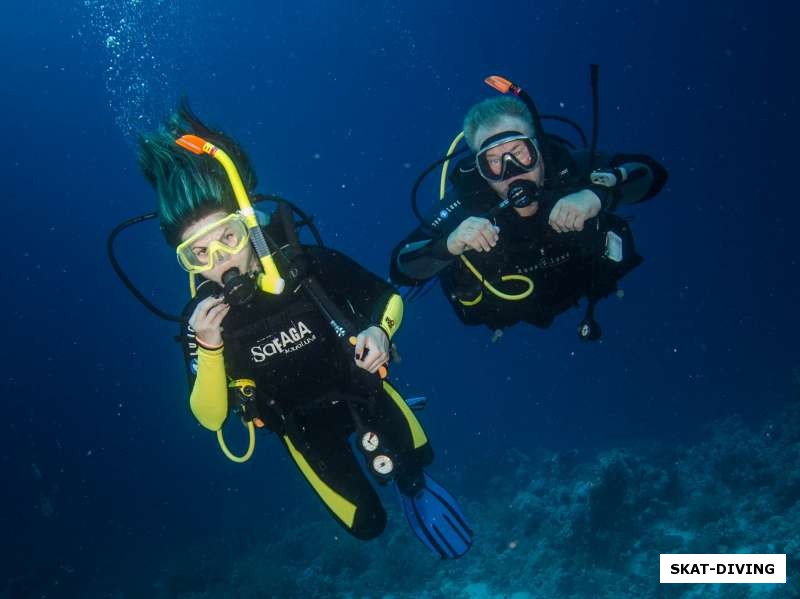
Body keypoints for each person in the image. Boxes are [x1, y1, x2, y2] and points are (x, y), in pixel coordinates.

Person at [135, 102, 472, 558]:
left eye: (229, 238)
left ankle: (414, 486)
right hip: (301, 427)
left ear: (249, 224)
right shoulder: (200, 321)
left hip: (362, 391)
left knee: (414, 470)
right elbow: (211, 418)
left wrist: (379, 333)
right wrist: (209, 347)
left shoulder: (305, 265)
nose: (222, 262)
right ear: (187, 263)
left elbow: (386, 298)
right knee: (366, 525)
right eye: (200, 255)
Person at [390, 91, 668, 339]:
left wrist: (596, 195)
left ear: (538, 149)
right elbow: (401, 267)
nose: (510, 171)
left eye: (518, 152)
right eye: (494, 161)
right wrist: (450, 243)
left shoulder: (572, 170)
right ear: (480, 170)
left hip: (587, 282)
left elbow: (651, 173)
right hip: (511, 312)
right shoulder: (466, 205)